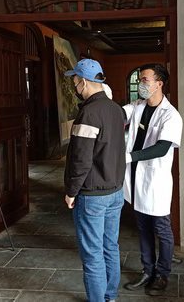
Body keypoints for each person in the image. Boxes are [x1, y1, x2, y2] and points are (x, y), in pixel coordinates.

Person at [63, 58, 126, 302]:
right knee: (110, 247)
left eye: (75, 81)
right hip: (115, 191)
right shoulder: (115, 109)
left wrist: (71, 191)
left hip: (92, 196)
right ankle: (110, 296)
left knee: (92, 256)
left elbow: (81, 159)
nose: (74, 86)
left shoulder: (88, 112)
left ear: (83, 81)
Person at [122, 63, 183, 296]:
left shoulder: (171, 115)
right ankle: (147, 270)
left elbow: (161, 148)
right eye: (139, 80)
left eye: (145, 80)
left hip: (154, 180)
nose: (141, 84)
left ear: (159, 83)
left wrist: (129, 156)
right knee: (143, 227)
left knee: (162, 229)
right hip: (136, 177)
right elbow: (119, 113)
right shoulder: (137, 106)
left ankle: (162, 274)